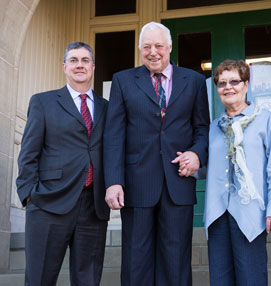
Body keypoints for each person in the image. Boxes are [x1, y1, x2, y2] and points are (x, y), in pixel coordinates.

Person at [103, 22, 210, 286]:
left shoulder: (195, 81)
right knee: (136, 261)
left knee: (176, 261)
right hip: (136, 183)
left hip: (179, 183)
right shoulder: (123, 80)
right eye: (147, 47)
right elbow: (114, 135)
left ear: (170, 47)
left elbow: (203, 128)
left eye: (159, 46)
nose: (153, 52)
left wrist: (197, 155)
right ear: (140, 49)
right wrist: (114, 181)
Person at [16, 42, 109, 285]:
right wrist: (29, 194)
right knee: (40, 279)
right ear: (64, 67)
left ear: (93, 66)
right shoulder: (43, 102)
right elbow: (28, 153)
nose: (80, 65)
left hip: (93, 206)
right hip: (49, 202)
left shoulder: (107, 108)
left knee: (88, 280)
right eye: (74, 60)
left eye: (85, 60)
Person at [201, 59, 271, 285]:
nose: (228, 87)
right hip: (217, 214)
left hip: (250, 215)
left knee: (251, 279)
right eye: (221, 83)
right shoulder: (213, 127)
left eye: (234, 81)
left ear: (246, 85)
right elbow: (204, 169)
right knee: (220, 280)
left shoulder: (263, 119)